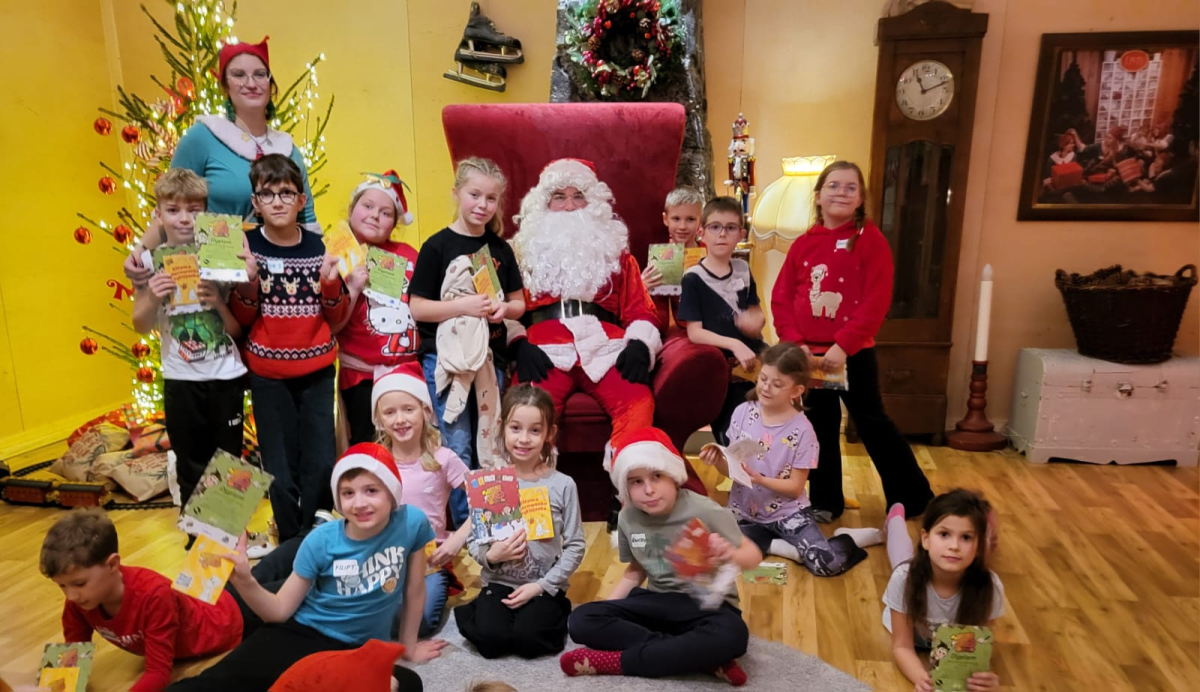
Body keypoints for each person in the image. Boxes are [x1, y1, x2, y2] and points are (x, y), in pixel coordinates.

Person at [167, 444, 445, 691]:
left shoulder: (412, 523)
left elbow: (414, 589)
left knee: (408, 685)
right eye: (348, 493)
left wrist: (408, 647)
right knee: (214, 684)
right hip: (304, 631)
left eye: (371, 490)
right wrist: (244, 580)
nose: (359, 503)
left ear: (392, 493)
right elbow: (278, 611)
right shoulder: (320, 541)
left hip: (358, 650)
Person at [770, 160, 933, 523]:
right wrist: (795, 344)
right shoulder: (803, 245)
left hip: (852, 355)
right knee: (819, 428)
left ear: (860, 199)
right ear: (818, 196)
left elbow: (877, 300)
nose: (841, 193)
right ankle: (826, 501)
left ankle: (913, 497)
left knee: (872, 422)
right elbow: (782, 297)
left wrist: (843, 345)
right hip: (809, 358)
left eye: (850, 187)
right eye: (833, 186)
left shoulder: (870, 241)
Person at [561, 427, 760, 686]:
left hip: (708, 607)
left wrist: (730, 553)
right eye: (636, 481)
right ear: (625, 487)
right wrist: (607, 610)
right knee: (580, 621)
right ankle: (700, 658)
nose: (649, 490)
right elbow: (635, 571)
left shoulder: (705, 509)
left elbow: (753, 556)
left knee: (733, 636)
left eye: (657, 476)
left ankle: (619, 662)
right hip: (657, 602)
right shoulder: (627, 518)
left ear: (674, 476)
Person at [123, 36, 320, 287]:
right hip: (213, 276)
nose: (251, 83)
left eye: (260, 74)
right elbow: (170, 205)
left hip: (276, 281)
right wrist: (140, 251)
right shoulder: (202, 138)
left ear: (271, 84)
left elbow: (307, 222)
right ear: (225, 85)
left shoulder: (289, 150)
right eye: (239, 75)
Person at [229, 153, 349, 548]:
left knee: (319, 458)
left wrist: (330, 283)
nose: (277, 201)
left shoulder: (320, 247)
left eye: (286, 193)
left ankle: (315, 536)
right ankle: (290, 538)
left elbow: (336, 316)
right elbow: (242, 318)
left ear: (301, 200)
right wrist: (248, 281)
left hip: (317, 371)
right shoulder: (246, 247)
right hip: (268, 375)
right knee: (278, 464)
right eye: (267, 194)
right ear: (255, 202)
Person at [508, 158, 662, 445]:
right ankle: (532, 475)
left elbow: (641, 310)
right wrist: (518, 345)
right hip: (544, 351)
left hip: (606, 349)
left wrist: (640, 345)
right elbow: (503, 308)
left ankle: (632, 472)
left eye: (578, 196)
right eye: (559, 197)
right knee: (525, 412)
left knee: (638, 402)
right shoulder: (519, 254)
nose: (570, 206)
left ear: (593, 203)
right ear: (544, 203)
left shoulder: (617, 255)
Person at [130, 169, 247, 543]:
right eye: (173, 210)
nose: (184, 219)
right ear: (159, 215)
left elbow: (239, 329)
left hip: (225, 375)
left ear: (205, 213)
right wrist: (153, 295)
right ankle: (199, 544)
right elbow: (139, 324)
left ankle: (229, 541)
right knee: (190, 460)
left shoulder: (221, 255)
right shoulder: (149, 262)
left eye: (194, 211)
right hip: (181, 379)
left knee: (228, 461)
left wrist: (219, 301)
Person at [700, 342, 883, 578]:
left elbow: (795, 488)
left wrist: (760, 479)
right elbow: (733, 470)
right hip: (744, 513)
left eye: (777, 384)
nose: (766, 388)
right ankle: (775, 545)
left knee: (826, 565)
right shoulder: (742, 412)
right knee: (717, 554)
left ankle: (845, 538)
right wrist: (718, 461)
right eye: (763, 379)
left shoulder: (804, 431)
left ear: (796, 391)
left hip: (788, 514)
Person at [409, 157, 524, 526]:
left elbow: (519, 304)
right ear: (456, 193)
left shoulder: (500, 249)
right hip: (447, 361)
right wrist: (463, 306)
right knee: (456, 444)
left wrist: (503, 309)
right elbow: (418, 307)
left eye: (491, 199)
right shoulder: (436, 246)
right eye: (474, 195)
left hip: (490, 360)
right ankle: (467, 529)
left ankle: (496, 526)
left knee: (491, 442)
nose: (482, 205)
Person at [40, 509, 242, 692]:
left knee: (254, 581)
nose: (70, 596)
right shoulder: (78, 602)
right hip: (195, 602)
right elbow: (72, 657)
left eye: (79, 583)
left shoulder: (155, 596)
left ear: (112, 564)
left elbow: (158, 673)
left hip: (224, 623)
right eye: (62, 586)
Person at [454, 384, 585, 659]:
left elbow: (575, 545)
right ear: (502, 428)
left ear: (549, 434)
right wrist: (491, 556)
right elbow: (474, 540)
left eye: (535, 430)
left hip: (543, 584)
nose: (524, 439)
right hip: (498, 583)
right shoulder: (488, 483)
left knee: (529, 641)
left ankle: (556, 609)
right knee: (491, 642)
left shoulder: (563, 485)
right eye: (515, 428)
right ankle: (482, 608)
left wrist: (542, 586)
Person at [371, 362, 471, 638]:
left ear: (425, 411)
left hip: (429, 564)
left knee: (421, 621)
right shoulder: (374, 463)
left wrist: (457, 539)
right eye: (390, 412)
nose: (400, 419)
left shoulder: (444, 459)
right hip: (383, 562)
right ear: (379, 419)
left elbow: (489, 501)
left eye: (408, 409)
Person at [883, 489, 1004, 692]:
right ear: (925, 538)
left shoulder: (990, 587)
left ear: (978, 547)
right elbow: (902, 646)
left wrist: (983, 681)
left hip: (948, 646)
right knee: (900, 559)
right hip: (910, 618)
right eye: (944, 534)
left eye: (966, 537)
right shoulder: (904, 579)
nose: (954, 546)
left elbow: (978, 647)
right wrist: (923, 679)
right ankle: (894, 520)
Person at [332, 170, 421, 445]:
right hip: (362, 377)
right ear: (351, 209)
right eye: (368, 206)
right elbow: (333, 325)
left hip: (408, 373)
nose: (374, 216)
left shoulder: (408, 254)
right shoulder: (337, 255)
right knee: (368, 446)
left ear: (394, 224)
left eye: (385, 213)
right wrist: (353, 288)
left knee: (411, 447)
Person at [678, 196, 766, 445]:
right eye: (715, 227)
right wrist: (734, 344)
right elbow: (695, 332)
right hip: (722, 366)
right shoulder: (693, 278)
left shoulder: (743, 269)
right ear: (702, 233)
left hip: (754, 359)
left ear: (741, 234)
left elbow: (756, 311)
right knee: (735, 434)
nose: (722, 234)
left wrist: (756, 321)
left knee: (767, 426)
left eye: (730, 228)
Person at [641, 186, 705, 292]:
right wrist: (641, 286)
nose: (682, 226)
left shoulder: (710, 253)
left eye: (690, 219)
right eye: (676, 219)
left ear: (700, 221)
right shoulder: (656, 255)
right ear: (665, 219)